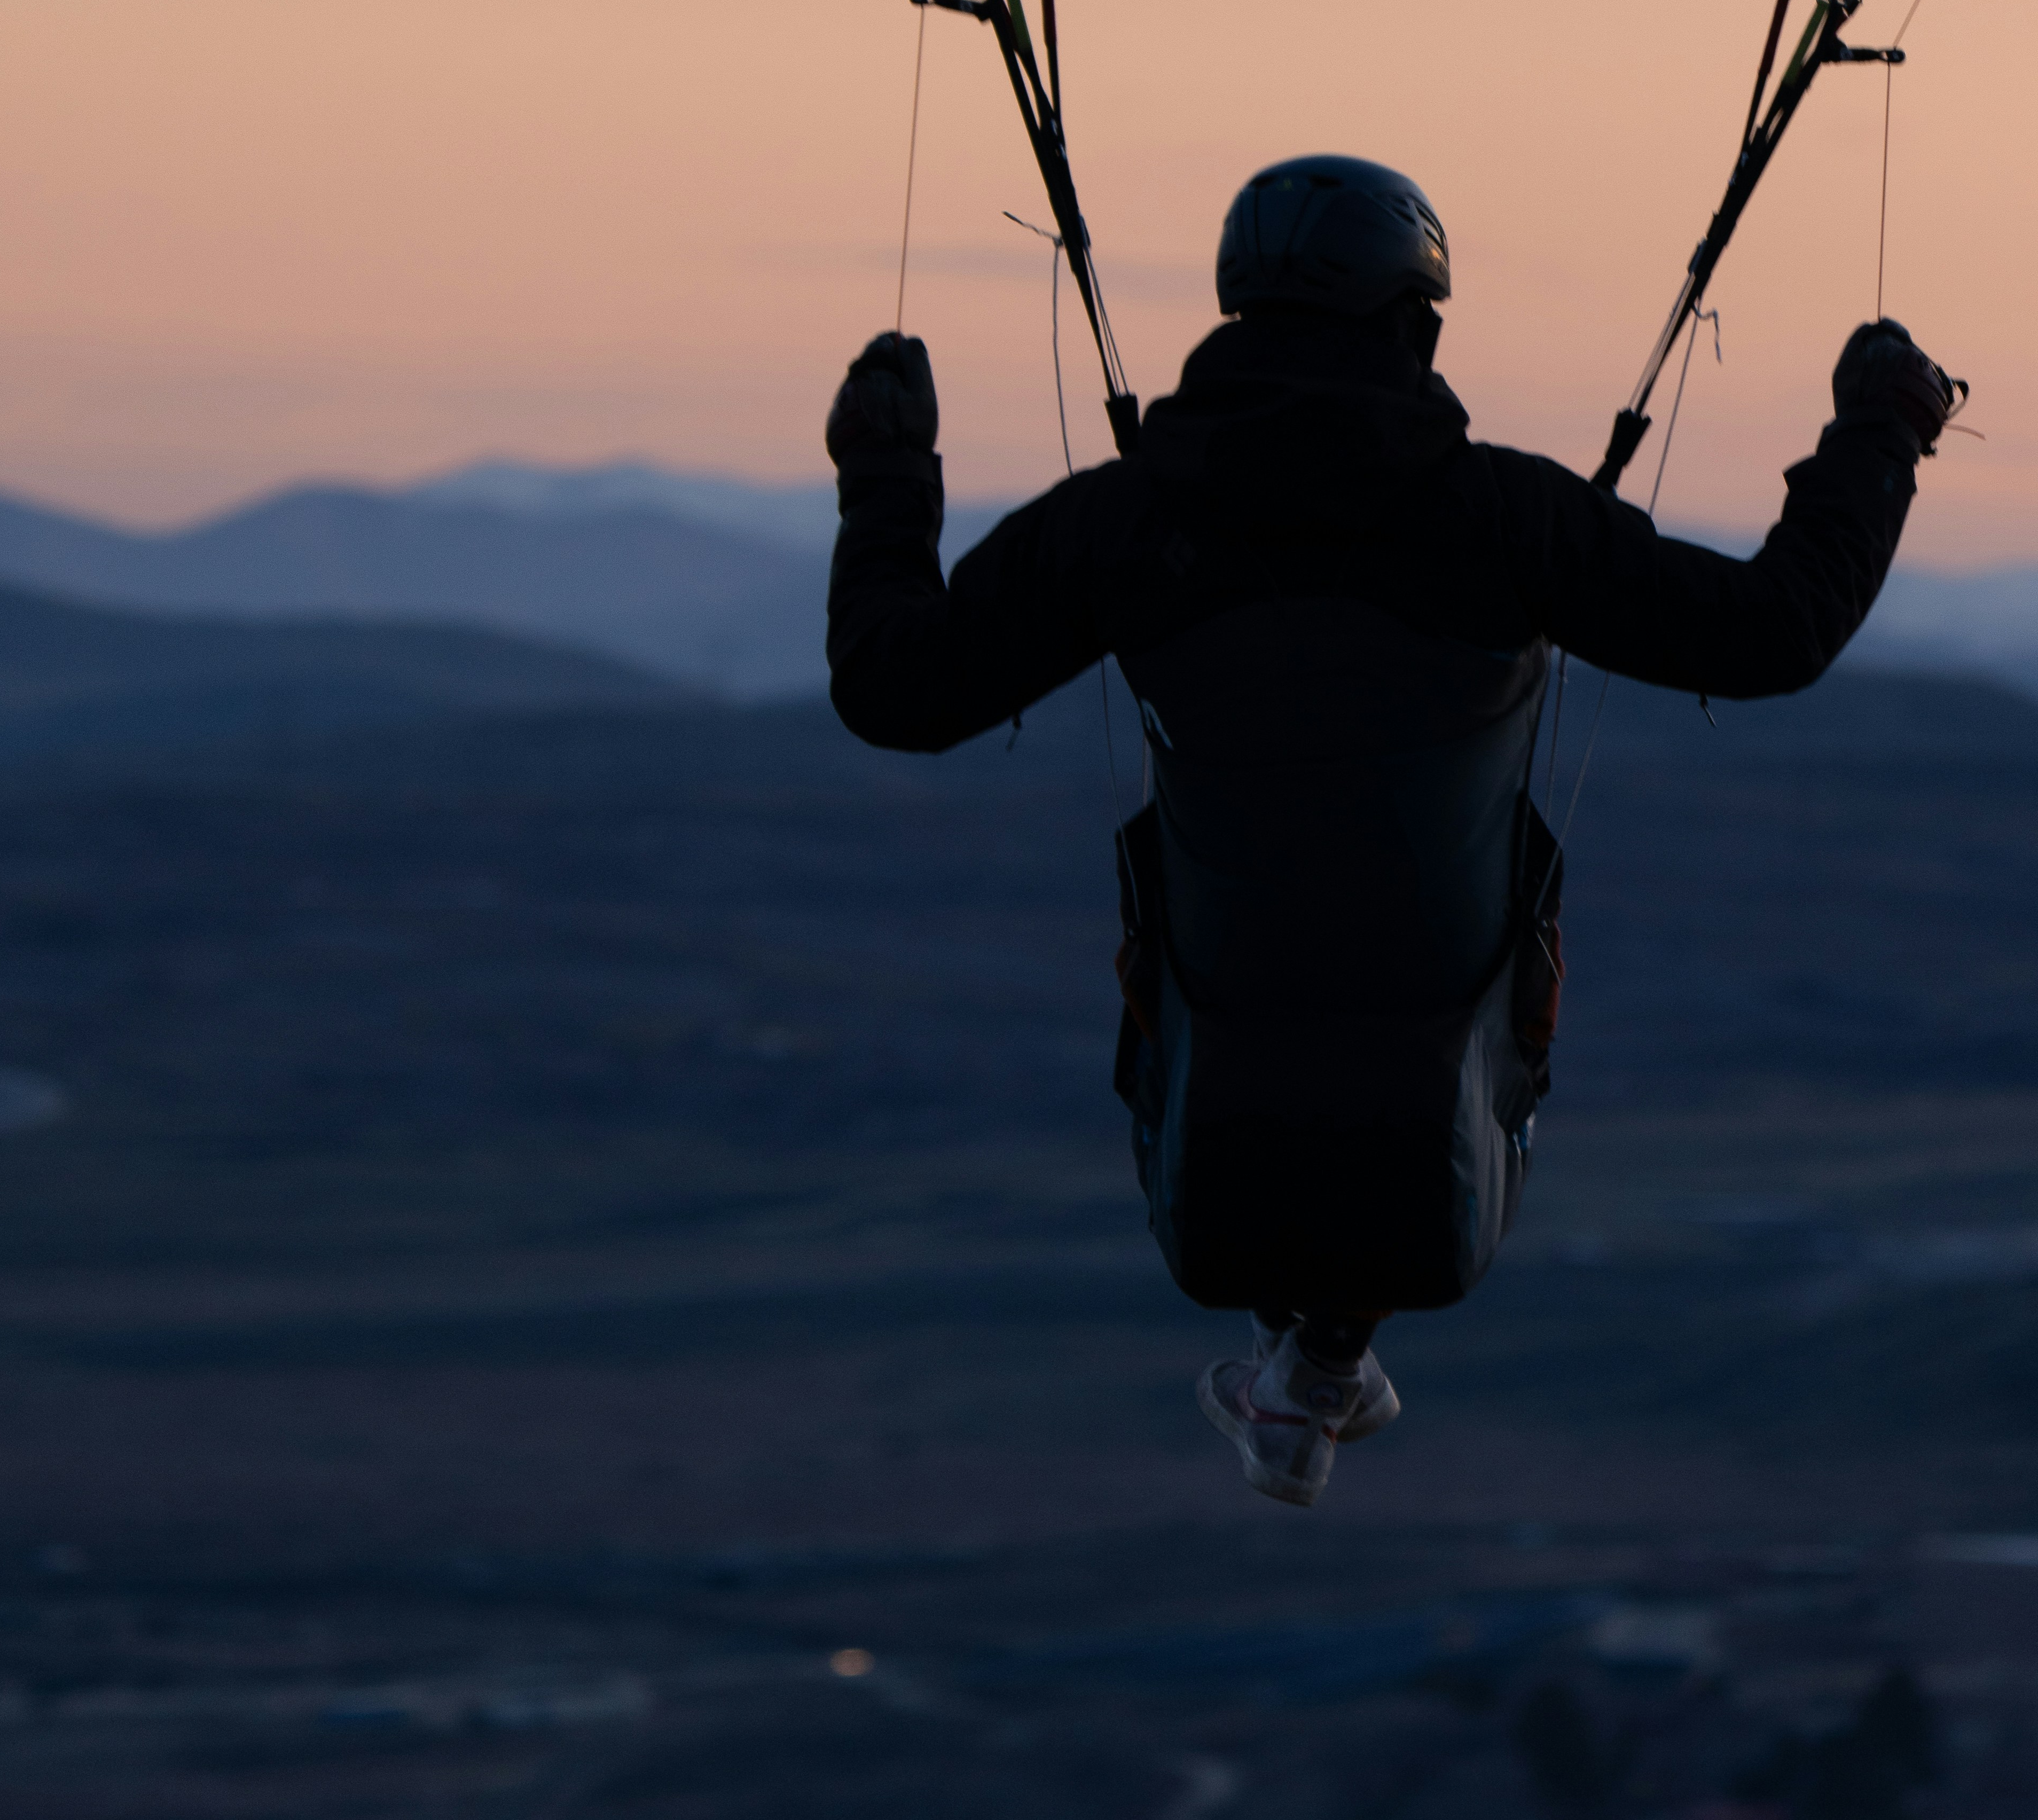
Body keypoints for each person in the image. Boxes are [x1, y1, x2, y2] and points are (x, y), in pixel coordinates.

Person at [825, 154, 1959, 1508]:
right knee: (1397, 960)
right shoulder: (1501, 521)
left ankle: (1313, 1363)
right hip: (1432, 1156)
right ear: (1416, 329)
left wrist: (887, 476)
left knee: (1281, 964)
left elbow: (896, 688)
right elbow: (1773, 629)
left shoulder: (1135, 526)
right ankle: (1314, 1362)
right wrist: (1879, 435)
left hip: (1211, 1152)